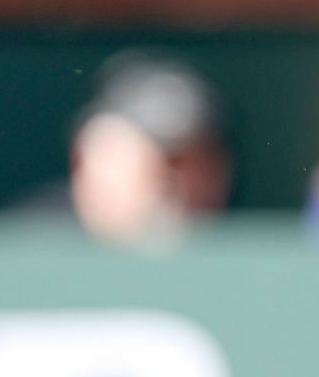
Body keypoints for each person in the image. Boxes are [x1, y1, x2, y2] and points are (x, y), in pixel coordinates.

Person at [69, 51, 232, 246]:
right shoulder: (38, 240)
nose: (168, 179)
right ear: (83, 159)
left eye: (192, 158)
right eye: (162, 155)